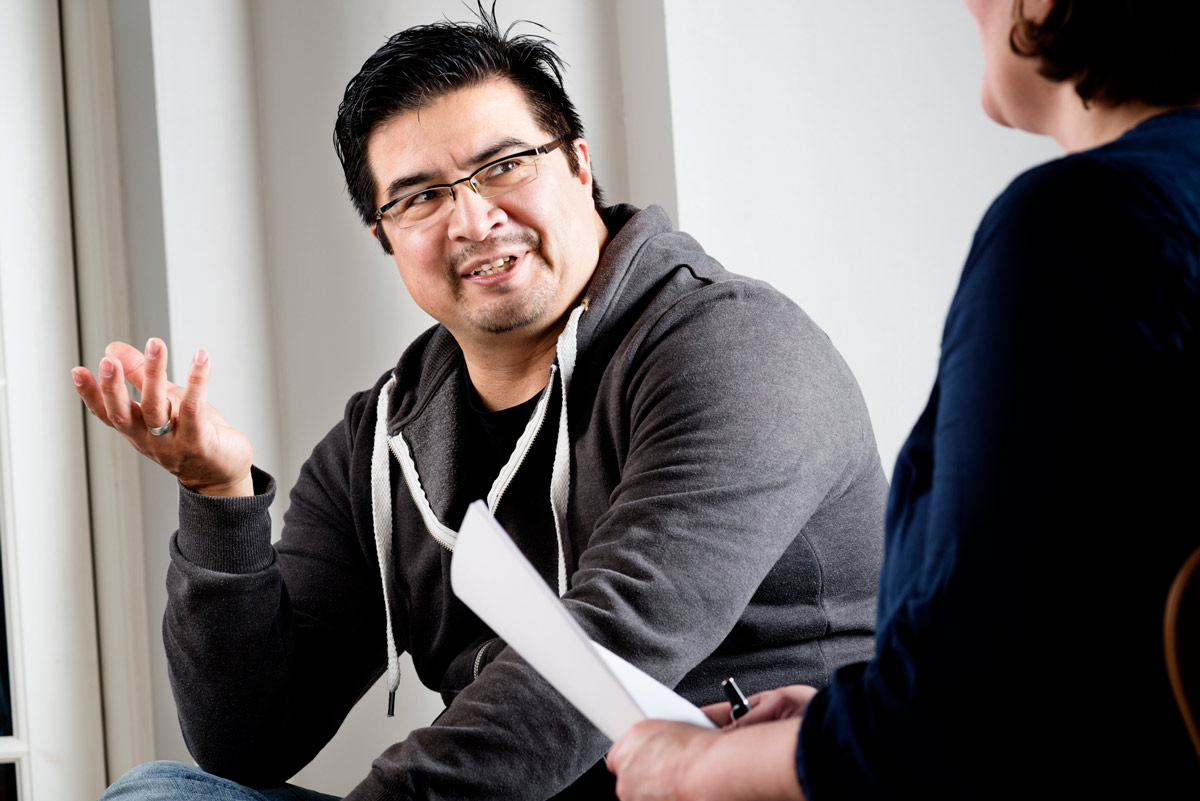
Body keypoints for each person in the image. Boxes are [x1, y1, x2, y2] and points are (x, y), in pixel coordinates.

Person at [73, 5, 888, 800]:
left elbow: (601, 655)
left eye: (504, 165)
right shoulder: (382, 437)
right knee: (162, 792)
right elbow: (248, 740)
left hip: (730, 784)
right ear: (385, 238)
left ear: (577, 164)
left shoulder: (734, 350)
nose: (472, 218)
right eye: (419, 196)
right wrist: (218, 501)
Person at [606, 0, 1200, 798]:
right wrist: (838, 721)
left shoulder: (1081, 225)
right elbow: (1093, 655)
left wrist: (695, 768)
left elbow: (965, 714)